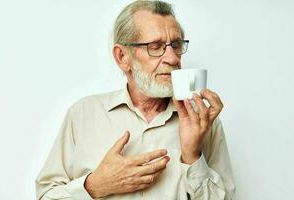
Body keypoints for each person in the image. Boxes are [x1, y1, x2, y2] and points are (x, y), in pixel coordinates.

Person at [36, 1, 236, 199]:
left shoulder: (202, 121)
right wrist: (95, 186)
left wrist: (193, 155)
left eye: (175, 45)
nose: (173, 58)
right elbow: (46, 196)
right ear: (122, 56)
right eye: (155, 46)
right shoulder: (82, 114)